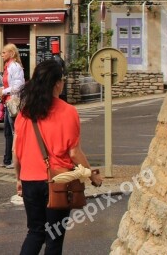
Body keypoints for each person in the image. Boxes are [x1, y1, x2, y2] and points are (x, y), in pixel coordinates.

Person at [14, 60, 103, 254]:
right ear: (56, 84)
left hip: (29, 180)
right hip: (57, 182)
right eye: (61, 79)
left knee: (35, 232)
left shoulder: (26, 113)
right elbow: (74, 153)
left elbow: (17, 152)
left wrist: (18, 178)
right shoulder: (68, 112)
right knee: (54, 236)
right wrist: (92, 174)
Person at [0, 43, 25, 168]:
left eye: (4, 52)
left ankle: (16, 160)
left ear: (12, 53)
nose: (2, 55)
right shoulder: (7, 67)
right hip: (7, 102)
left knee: (15, 132)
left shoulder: (15, 66)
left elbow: (18, 85)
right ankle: (7, 159)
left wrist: (4, 91)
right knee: (8, 133)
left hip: (13, 102)